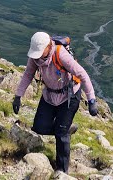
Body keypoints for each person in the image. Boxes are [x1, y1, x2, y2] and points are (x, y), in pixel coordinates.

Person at [12, 31, 98, 173]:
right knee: (39, 127)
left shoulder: (60, 54)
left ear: (48, 46)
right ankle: (65, 129)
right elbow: (28, 74)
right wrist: (18, 96)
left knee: (61, 135)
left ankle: (62, 171)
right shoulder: (35, 58)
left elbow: (82, 74)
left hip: (69, 96)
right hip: (49, 95)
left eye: (39, 52)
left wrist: (92, 99)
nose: (37, 55)